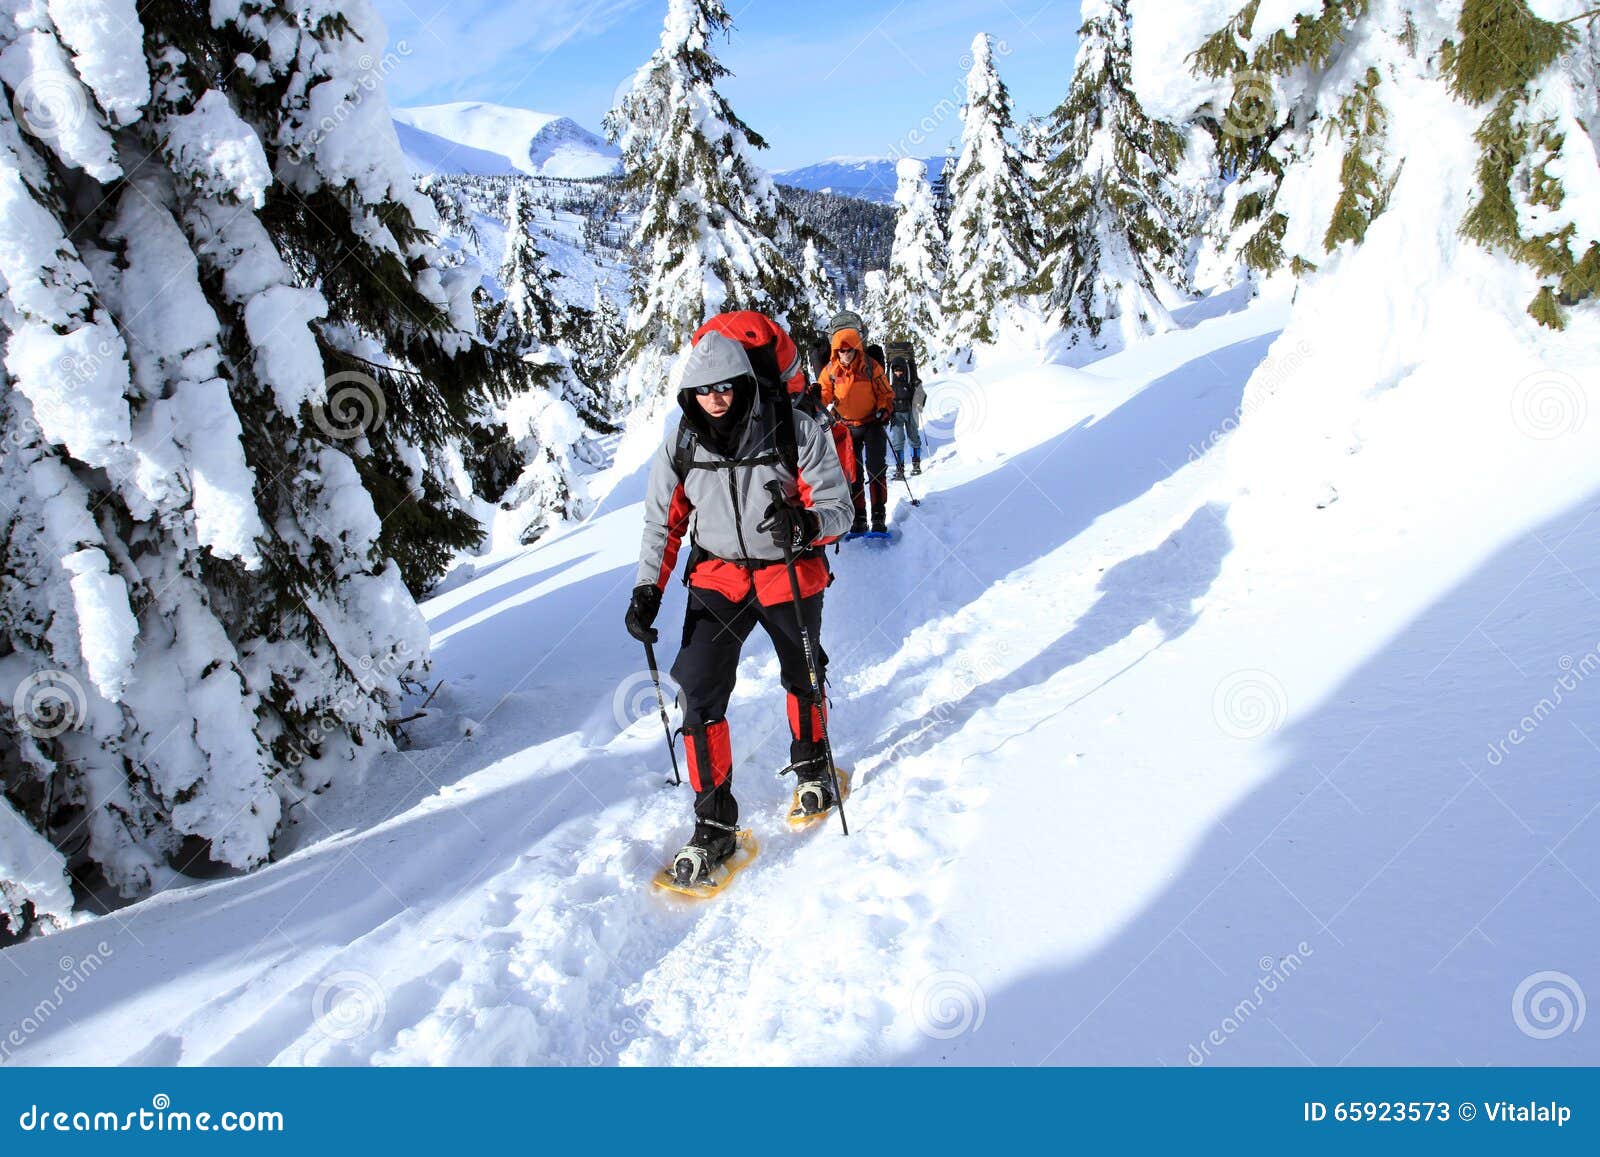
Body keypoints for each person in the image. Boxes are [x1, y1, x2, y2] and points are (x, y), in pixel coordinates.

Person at [625, 328, 854, 885]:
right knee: (697, 689)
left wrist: (808, 524)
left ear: (746, 383)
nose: (717, 398)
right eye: (704, 390)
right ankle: (714, 826)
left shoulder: (794, 429)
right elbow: (663, 521)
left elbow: (838, 506)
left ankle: (812, 763)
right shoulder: (681, 443)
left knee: (802, 669)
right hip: (719, 575)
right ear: (689, 395)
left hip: (787, 571)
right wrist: (646, 588)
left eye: (726, 386)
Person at [818, 326, 895, 534]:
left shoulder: (870, 366)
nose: (845, 354)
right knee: (853, 475)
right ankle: (858, 518)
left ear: (856, 349)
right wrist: (815, 398)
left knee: (876, 469)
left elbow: (885, 393)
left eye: (849, 350)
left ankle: (878, 516)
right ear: (835, 352)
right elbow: (825, 393)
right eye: (841, 351)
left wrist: (883, 409)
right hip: (847, 427)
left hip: (872, 425)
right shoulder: (831, 371)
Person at [887, 355, 923, 478]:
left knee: (913, 438)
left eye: (900, 370)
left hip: (910, 412)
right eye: (896, 370)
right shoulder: (889, 384)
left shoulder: (911, 382)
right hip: (896, 414)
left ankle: (916, 464)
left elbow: (922, 397)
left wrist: (919, 401)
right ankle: (900, 468)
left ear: (905, 370)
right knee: (898, 441)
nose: (898, 373)